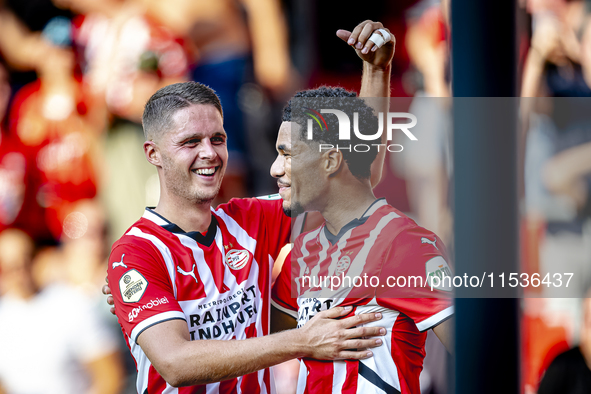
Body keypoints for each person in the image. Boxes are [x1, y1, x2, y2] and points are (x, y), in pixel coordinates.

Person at [106, 21, 393, 394]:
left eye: (218, 139)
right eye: (190, 142)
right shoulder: (136, 253)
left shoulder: (250, 220)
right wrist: (304, 341)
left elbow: (359, 176)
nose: (209, 153)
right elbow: (175, 363)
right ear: (153, 154)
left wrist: (375, 71)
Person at [268, 29, 453, 394]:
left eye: (287, 155)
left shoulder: (405, 245)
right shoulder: (301, 253)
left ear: (331, 161)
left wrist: (377, 73)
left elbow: (481, 354)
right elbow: (260, 339)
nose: (275, 168)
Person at [0, 229, 124, 394]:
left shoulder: (72, 303)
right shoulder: (4, 318)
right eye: (12, 267)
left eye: (26, 260)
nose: (21, 272)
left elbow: (110, 376)